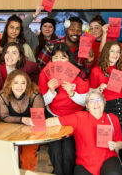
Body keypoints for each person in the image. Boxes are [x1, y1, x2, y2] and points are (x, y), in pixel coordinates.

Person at [38, 43, 89, 175]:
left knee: (68, 150)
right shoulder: (45, 73)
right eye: (55, 57)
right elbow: (41, 102)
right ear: (51, 60)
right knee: (55, 150)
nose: (59, 60)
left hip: (74, 117)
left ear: (69, 58)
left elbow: (85, 102)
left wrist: (72, 93)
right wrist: (51, 91)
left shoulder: (79, 74)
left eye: (63, 57)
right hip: (54, 114)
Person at [46, 90, 122, 175]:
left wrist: (116, 145)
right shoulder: (79, 117)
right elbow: (55, 121)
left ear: (104, 102)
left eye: (99, 100)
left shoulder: (112, 118)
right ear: (87, 105)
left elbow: (121, 143)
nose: (96, 104)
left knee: (114, 173)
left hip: (108, 159)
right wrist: (34, 123)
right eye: (91, 101)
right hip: (84, 163)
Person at [0, 70, 44, 171]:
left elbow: (39, 121)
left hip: (31, 132)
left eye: (23, 83)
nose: (20, 86)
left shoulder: (35, 95)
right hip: (11, 131)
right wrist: (22, 119)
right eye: (16, 82)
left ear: (27, 84)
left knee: (27, 158)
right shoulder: (3, 95)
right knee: (10, 157)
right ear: (10, 84)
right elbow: (4, 116)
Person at [0, 42, 38, 126]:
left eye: (14, 53)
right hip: (3, 106)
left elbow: (36, 68)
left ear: (20, 57)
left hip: (20, 105)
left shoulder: (25, 66)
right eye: (7, 52)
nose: (9, 56)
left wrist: (28, 82)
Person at [90, 41, 122, 134]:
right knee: (108, 140)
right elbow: (90, 93)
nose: (115, 54)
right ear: (106, 52)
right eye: (112, 51)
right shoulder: (96, 70)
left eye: (118, 52)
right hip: (106, 107)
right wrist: (98, 90)